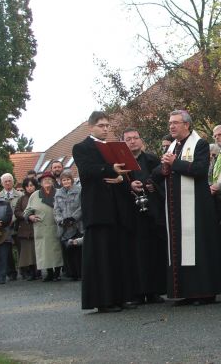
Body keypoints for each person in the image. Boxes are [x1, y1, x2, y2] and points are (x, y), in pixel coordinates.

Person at [153, 110, 221, 305]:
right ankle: (186, 292)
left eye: (176, 123)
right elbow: (163, 170)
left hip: (196, 208)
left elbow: (199, 169)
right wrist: (152, 175)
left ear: (187, 125)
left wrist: (174, 163)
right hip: (175, 209)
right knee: (180, 249)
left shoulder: (200, 144)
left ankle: (203, 292)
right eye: (170, 123)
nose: (171, 126)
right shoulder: (172, 146)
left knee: (199, 249)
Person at [72, 111, 136, 313]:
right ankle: (103, 301)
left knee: (117, 255)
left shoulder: (113, 147)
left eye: (108, 125)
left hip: (115, 208)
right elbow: (87, 171)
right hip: (97, 209)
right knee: (101, 256)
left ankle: (121, 297)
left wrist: (120, 178)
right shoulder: (81, 147)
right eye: (101, 125)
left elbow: (121, 171)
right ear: (90, 126)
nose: (106, 129)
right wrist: (110, 170)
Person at [124, 127, 167, 304]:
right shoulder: (121, 163)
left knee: (153, 252)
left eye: (135, 138)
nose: (133, 141)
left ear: (141, 140)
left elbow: (162, 179)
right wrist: (128, 186)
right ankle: (136, 292)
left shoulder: (151, 159)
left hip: (152, 213)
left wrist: (152, 186)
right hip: (131, 214)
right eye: (128, 139)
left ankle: (154, 291)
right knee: (134, 254)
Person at [23, 172, 64, 282]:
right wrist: (30, 216)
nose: (47, 181)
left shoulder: (59, 192)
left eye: (49, 179)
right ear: (40, 183)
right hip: (41, 228)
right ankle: (49, 273)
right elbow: (26, 211)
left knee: (57, 251)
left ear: (53, 181)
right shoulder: (35, 195)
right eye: (44, 180)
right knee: (44, 252)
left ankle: (57, 273)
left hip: (56, 226)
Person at [53, 170, 83, 280]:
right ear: (61, 181)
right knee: (68, 251)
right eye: (63, 180)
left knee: (78, 250)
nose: (66, 182)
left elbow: (82, 207)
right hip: (64, 227)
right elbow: (56, 210)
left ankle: (81, 273)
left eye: (68, 179)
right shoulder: (58, 193)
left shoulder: (79, 190)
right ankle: (72, 273)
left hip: (77, 225)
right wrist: (61, 220)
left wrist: (73, 218)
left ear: (72, 179)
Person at [14, 177, 40, 280]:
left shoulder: (39, 196)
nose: (30, 188)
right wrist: (27, 216)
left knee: (37, 252)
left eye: (32, 185)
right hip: (25, 229)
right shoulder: (22, 199)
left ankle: (38, 272)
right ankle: (30, 272)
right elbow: (17, 212)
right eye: (28, 186)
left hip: (38, 227)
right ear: (25, 187)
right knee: (28, 253)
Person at [0, 173, 23, 281]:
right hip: (4, 228)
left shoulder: (20, 195)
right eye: (5, 181)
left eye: (9, 180)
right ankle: (11, 272)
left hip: (18, 225)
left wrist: (12, 219)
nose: (8, 183)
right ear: (2, 183)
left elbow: (21, 209)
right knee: (7, 252)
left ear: (13, 181)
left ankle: (24, 271)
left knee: (21, 249)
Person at [0, 196, 13, 284]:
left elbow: (8, 217)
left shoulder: (5, 204)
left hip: (4, 235)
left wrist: (0, 223)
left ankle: (1, 278)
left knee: (3, 257)